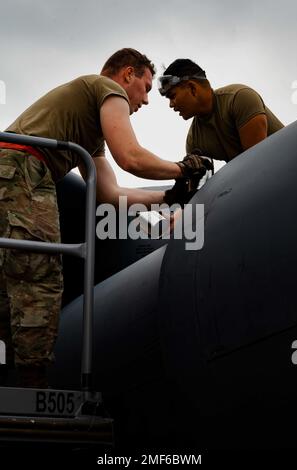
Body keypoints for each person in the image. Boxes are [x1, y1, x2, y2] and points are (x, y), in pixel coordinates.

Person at [0, 48, 209, 388]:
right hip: (22, 170)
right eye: (144, 85)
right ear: (127, 74)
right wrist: (182, 169)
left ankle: (7, 378)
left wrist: (168, 197)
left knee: (9, 281)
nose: (145, 99)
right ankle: (31, 387)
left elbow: (108, 195)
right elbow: (131, 157)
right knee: (40, 276)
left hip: (11, 173)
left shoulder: (88, 130)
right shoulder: (106, 90)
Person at [158, 58, 284, 167]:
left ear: (192, 88)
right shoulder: (194, 140)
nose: (171, 104)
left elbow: (257, 164)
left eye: (172, 96)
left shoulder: (239, 98)